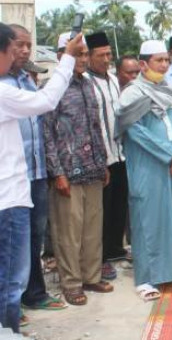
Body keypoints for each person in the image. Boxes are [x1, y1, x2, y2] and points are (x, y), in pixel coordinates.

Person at [0, 23, 81, 333]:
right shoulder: (4, 90)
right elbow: (46, 102)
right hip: (8, 199)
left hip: (20, 187)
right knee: (10, 277)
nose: (18, 54)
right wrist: (68, 59)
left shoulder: (18, 83)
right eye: (13, 48)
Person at [116, 40, 172, 302]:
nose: (163, 65)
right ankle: (146, 278)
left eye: (166, 60)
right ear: (143, 64)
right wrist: (171, 153)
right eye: (158, 60)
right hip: (148, 166)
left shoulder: (170, 91)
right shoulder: (132, 93)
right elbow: (136, 132)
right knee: (148, 220)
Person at [43, 34, 112, 306]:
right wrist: (57, 172)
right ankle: (71, 283)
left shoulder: (87, 85)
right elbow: (47, 134)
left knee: (92, 229)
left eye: (85, 54)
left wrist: (103, 162)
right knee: (68, 233)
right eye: (77, 54)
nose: (83, 59)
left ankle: (91, 276)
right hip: (67, 173)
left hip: (94, 169)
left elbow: (97, 127)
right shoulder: (51, 87)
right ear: (62, 55)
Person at [84, 32, 129, 281]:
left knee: (118, 206)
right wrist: (100, 160)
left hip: (121, 153)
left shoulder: (113, 79)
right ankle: (99, 259)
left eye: (109, 54)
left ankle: (114, 249)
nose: (106, 59)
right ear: (89, 56)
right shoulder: (86, 82)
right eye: (101, 55)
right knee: (100, 211)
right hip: (102, 157)